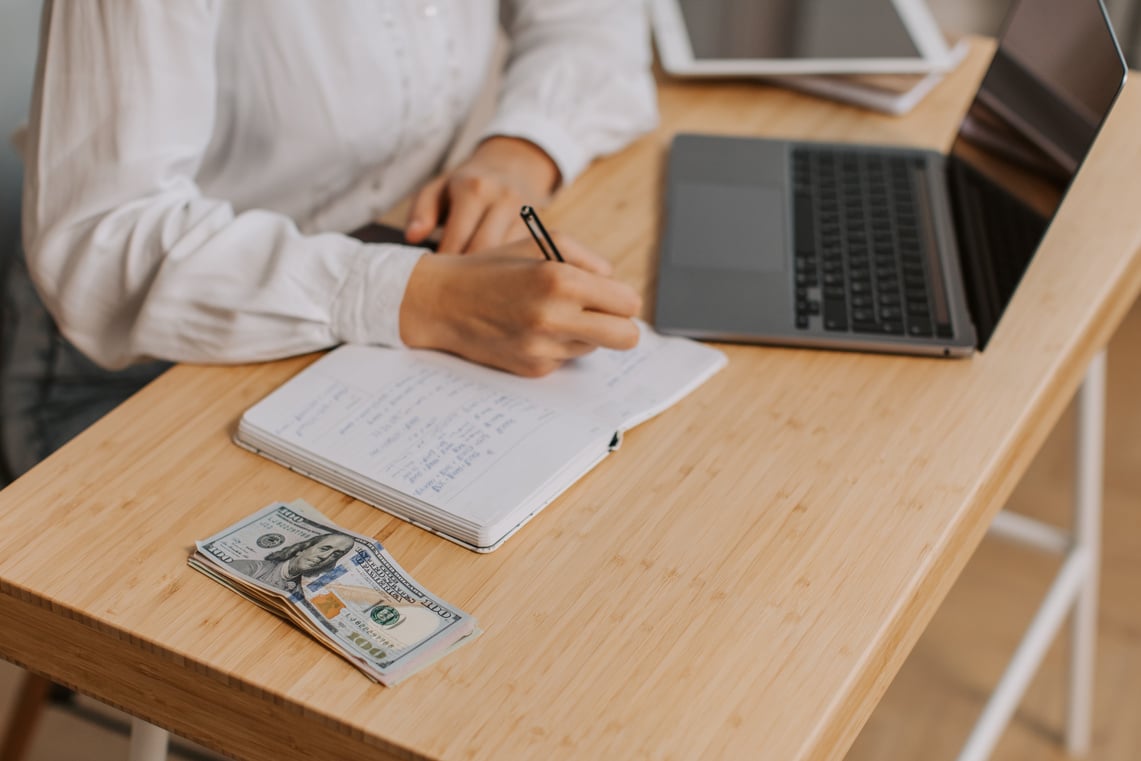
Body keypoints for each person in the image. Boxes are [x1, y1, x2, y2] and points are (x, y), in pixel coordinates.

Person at [0, 0, 657, 482]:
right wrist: (419, 298)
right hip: (133, 370)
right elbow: (102, 241)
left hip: (374, 316)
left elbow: (593, 19)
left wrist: (520, 150)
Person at [229, 533, 357, 593]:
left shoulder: (300, 593)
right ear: (301, 549)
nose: (325, 557)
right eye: (324, 548)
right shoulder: (249, 567)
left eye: (336, 555)